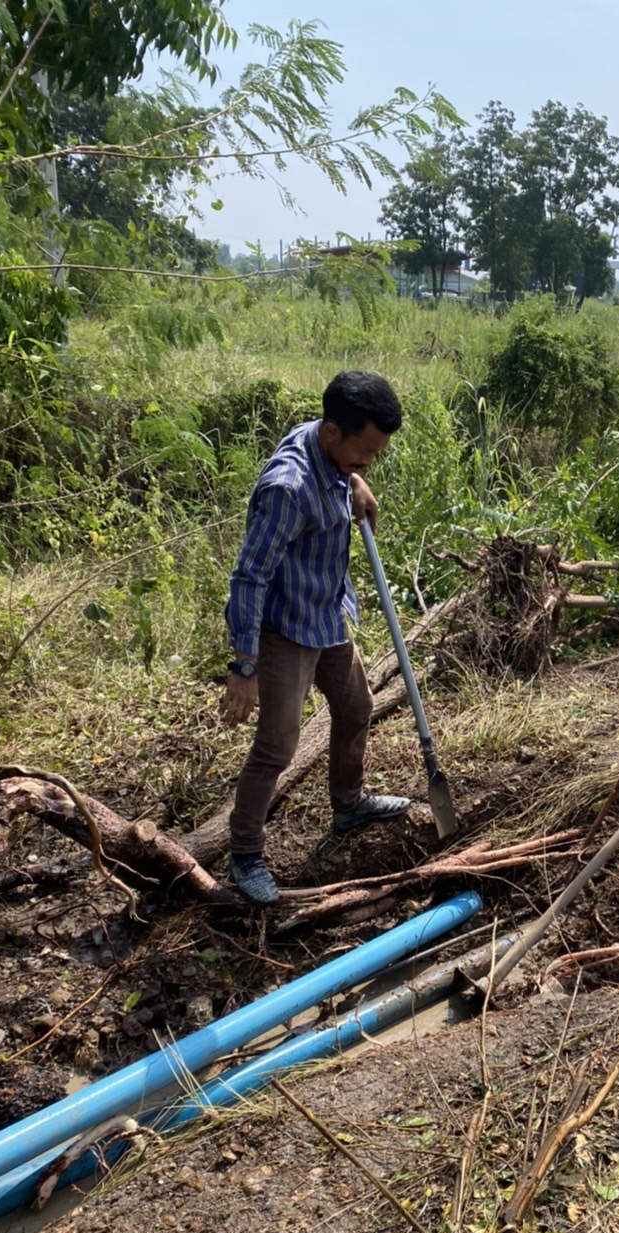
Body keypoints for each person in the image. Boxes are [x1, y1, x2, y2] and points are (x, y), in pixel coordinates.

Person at [221, 370, 411, 904]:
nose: (370, 460)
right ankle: (245, 851)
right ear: (333, 433)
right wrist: (244, 667)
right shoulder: (286, 487)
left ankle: (348, 805)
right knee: (277, 746)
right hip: (284, 630)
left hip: (326, 613)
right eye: (364, 452)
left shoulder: (326, 442)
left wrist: (354, 479)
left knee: (356, 706)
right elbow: (250, 575)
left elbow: (344, 465)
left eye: (377, 453)